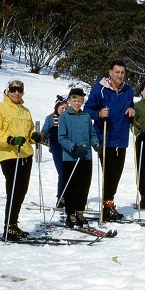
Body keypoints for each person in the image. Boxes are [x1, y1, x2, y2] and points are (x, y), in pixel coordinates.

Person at [0, 79, 42, 240]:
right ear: (7, 91)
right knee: (13, 190)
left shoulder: (25, 111)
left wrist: (34, 136)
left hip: (26, 154)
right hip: (9, 154)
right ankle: (8, 226)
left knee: (21, 191)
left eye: (19, 90)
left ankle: (13, 224)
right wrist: (11, 139)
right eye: (13, 90)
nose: (16, 93)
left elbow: (30, 131)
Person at [84, 60, 135, 221]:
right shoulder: (99, 89)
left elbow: (131, 105)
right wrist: (98, 114)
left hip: (121, 138)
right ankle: (107, 205)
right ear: (110, 72)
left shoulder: (128, 90)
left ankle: (109, 203)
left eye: (122, 72)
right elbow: (88, 110)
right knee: (109, 174)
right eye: (117, 72)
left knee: (117, 174)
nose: (120, 75)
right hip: (104, 138)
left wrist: (132, 109)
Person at [58, 88, 99, 227]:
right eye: (74, 100)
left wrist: (96, 144)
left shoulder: (86, 116)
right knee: (71, 186)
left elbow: (92, 134)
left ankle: (80, 211)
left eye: (80, 100)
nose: (77, 103)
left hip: (86, 157)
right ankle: (70, 214)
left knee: (84, 186)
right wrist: (73, 147)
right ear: (69, 100)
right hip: (71, 158)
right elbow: (61, 138)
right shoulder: (64, 117)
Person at [41, 95, 69, 208]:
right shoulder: (51, 118)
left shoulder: (69, 117)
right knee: (62, 172)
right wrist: (40, 136)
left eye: (66, 108)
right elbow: (44, 130)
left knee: (69, 171)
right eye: (62, 108)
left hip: (68, 146)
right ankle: (61, 198)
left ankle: (69, 196)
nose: (64, 110)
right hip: (57, 146)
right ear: (57, 108)